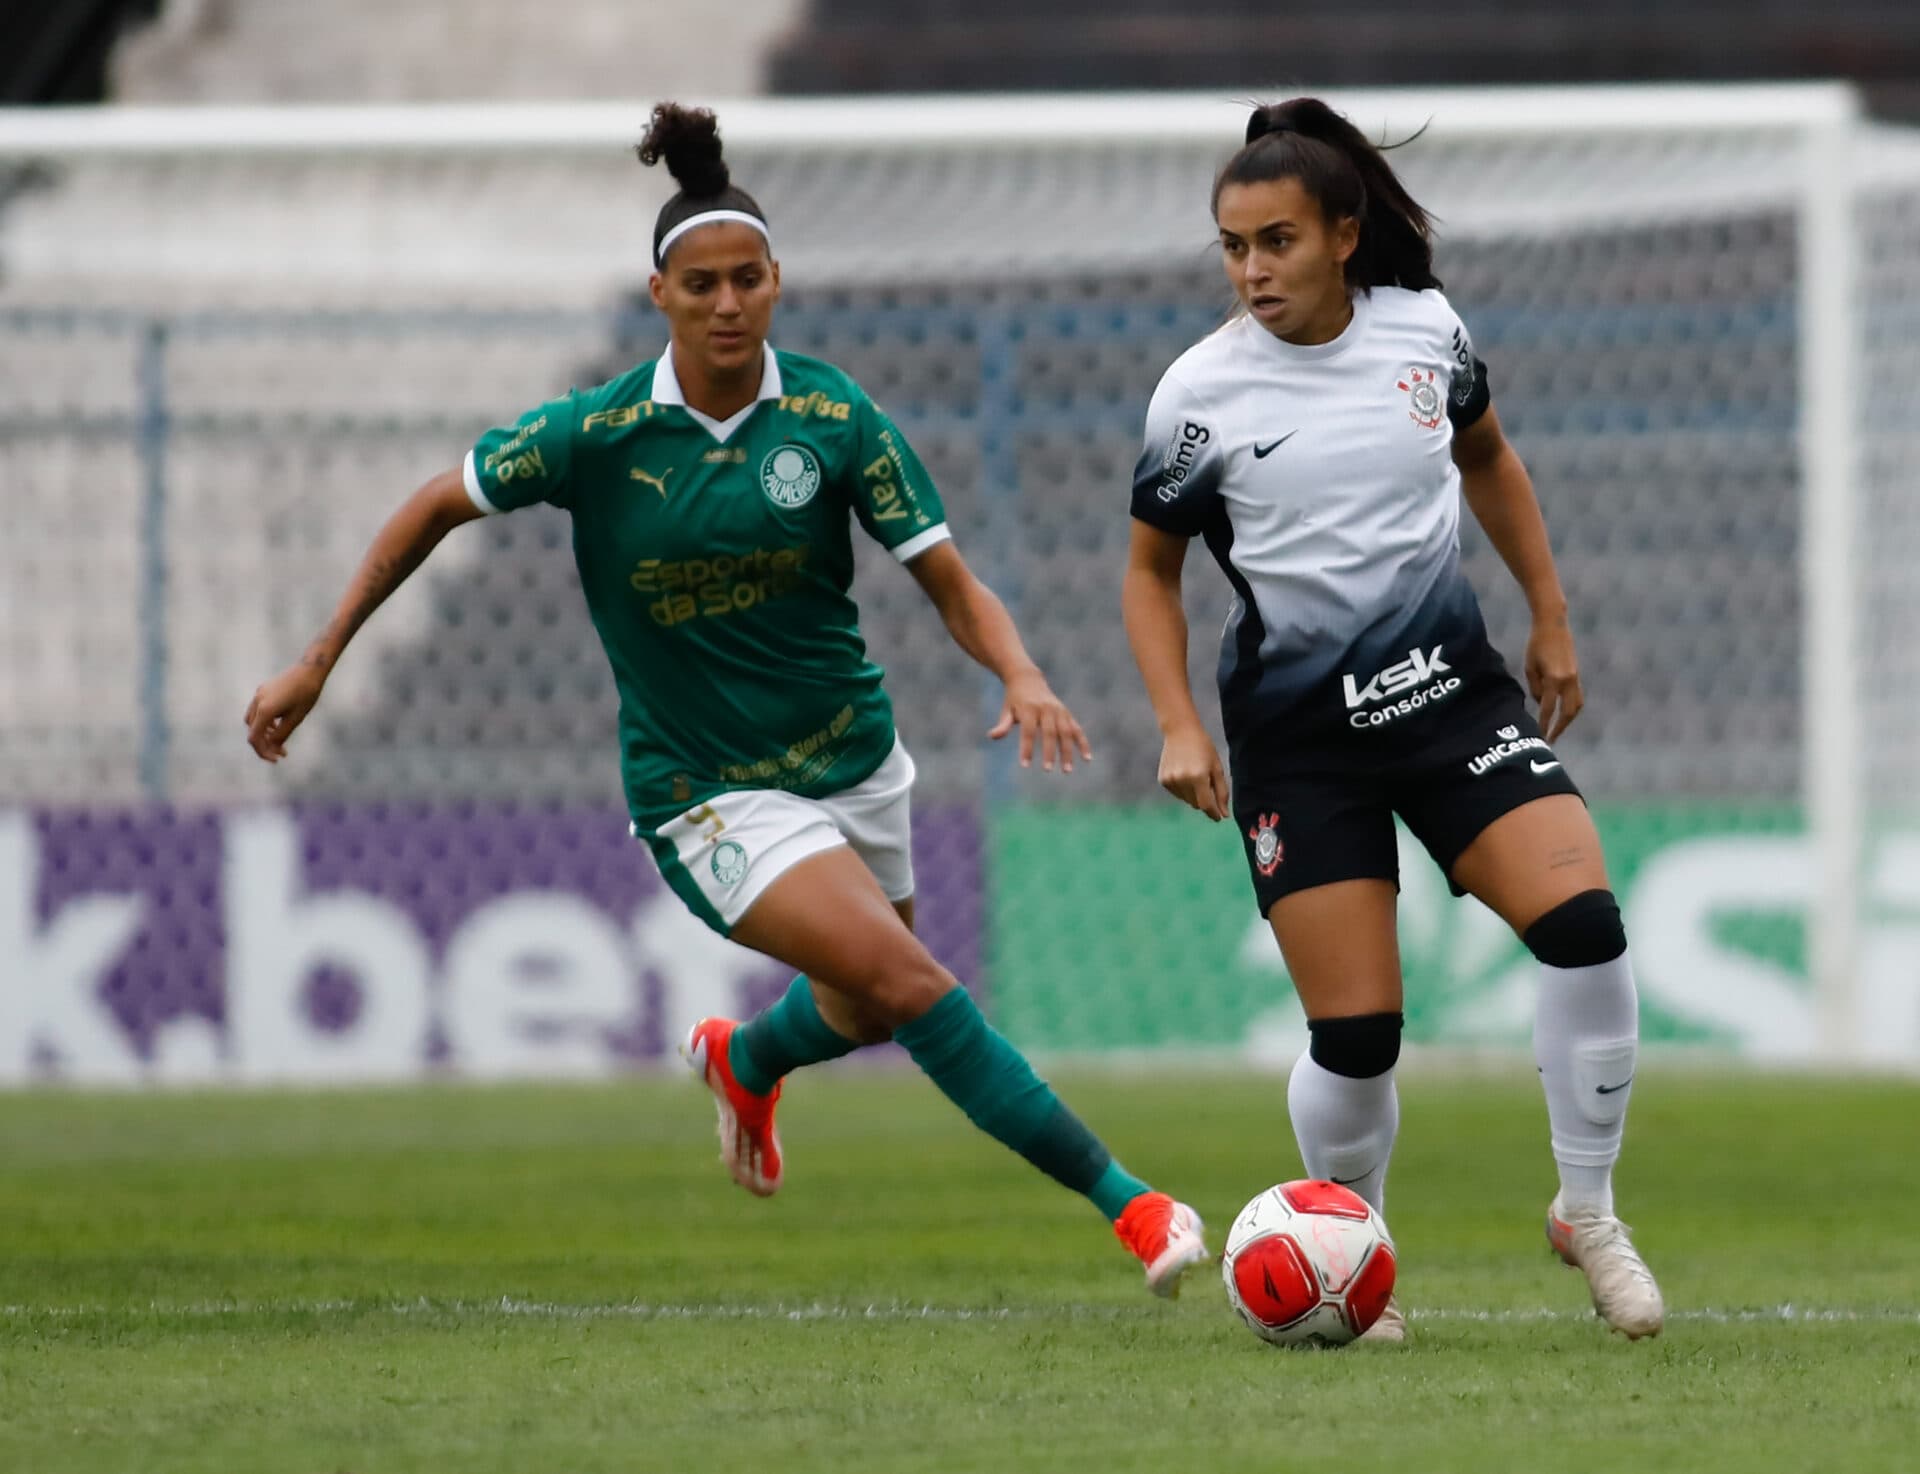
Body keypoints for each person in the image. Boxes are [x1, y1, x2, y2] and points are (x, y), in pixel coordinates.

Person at [244, 102, 1208, 1298]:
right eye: (699, 284)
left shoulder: (832, 416)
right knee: (915, 987)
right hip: (708, 792)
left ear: (777, 282)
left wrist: (1018, 671)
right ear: (660, 292)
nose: (725, 304)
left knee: (859, 1007)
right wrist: (318, 659)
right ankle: (1134, 1203)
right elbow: (438, 501)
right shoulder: (595, 432)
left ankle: (745, 1059)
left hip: (855, 760)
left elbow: (948, 580)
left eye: (746, 279)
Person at [1122, 98, 1664, 1341]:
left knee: (1585, 924)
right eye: (1233, 246)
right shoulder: (1197, 396)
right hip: (1300, 744)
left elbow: (1490, 458)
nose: (1253, 269)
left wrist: (1551, 616)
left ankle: (1588, 1210)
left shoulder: (1428, 332)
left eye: (1278, 241)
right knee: (1359, 1034)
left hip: (1447, 700)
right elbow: (1150, 573)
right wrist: (1177, 726)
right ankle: (1356, 1268)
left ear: (1345, 236)